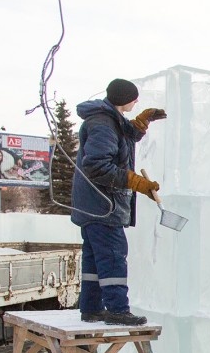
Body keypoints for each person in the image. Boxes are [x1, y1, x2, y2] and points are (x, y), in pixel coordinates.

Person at [70, 78, 167, 326]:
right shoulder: (103, 123)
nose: (137, 102)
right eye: (135, 99)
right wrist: (135, 182)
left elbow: (122, 136)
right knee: (113, 255)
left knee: (94, 257)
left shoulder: (108, 118)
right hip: (103, 205)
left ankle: (91, 308)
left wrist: (141, 123)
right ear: (125, 99)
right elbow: (97, 166)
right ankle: (117, 310)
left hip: (93, 204)